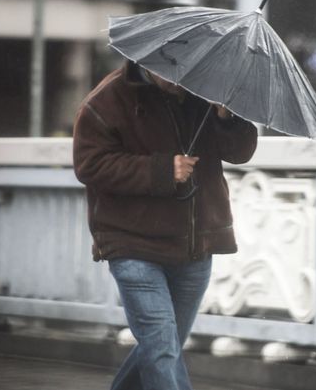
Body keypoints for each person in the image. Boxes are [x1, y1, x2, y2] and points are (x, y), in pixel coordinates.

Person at [73, 61, 257, 390]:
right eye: (169, 70)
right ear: (147, 59)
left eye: (185, 70)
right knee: (161, 348)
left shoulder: (205, 92)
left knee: (163, 346)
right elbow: (90, 165)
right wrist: (162, 171)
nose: (178, 80)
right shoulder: (106, 100)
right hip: (132, 244)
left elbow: (240, 152)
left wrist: (226, 117)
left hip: (193, 245)